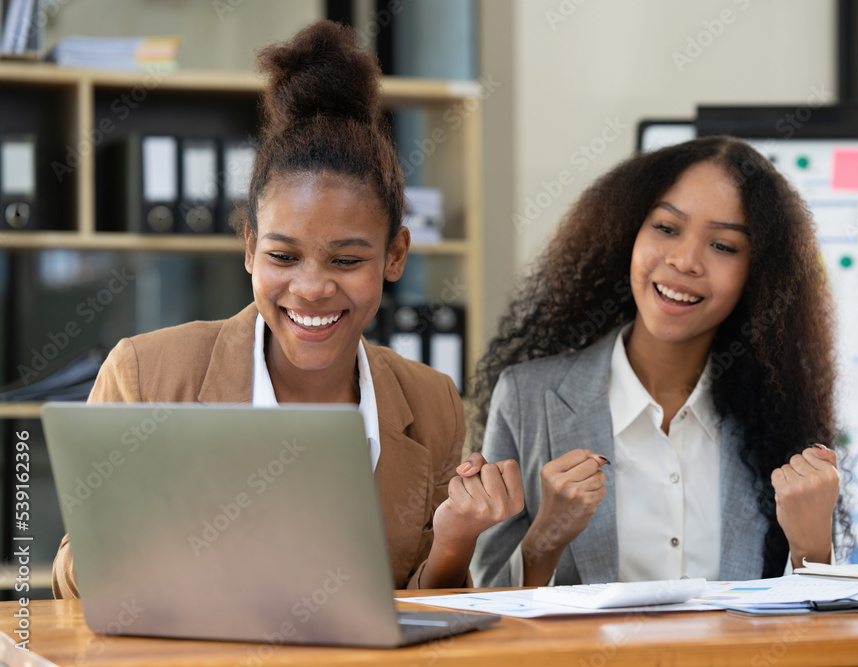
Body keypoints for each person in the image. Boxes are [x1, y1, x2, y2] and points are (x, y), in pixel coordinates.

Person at [52, 20, 523, 599]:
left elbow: (420, 608)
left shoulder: (431, 404)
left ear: (395, 255)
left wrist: (454, 542)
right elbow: (71, 581)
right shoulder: (147, 374)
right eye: (283, 255)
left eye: (347, 261)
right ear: (250, 247)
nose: (311, 288)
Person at [469, 136, 851, 587]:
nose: (684, 260)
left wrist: (812, 552)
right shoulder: (527, 396)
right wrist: (544, 541)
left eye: (724, 246)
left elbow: (810, 637)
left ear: (758, 275)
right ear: (628, 232)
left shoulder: (776, 412)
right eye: (667, 228)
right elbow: (485, 613)